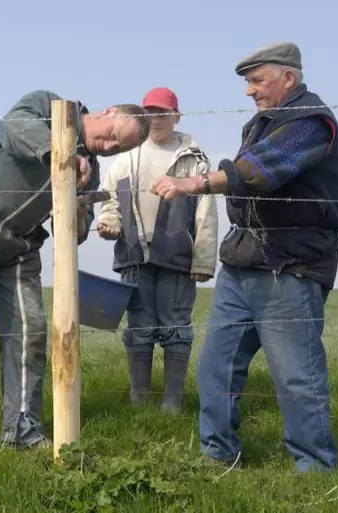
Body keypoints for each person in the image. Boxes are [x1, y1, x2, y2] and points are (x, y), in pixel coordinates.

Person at [151, 42, 338, 472]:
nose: (249, 91)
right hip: (244, 263)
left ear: (288, 78)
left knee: (296, 374)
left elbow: (261, 171)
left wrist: (193, 184)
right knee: (215, 366)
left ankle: (316, 470)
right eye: (248, 83)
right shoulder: (267, 121)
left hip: (289, 266)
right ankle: (217, 454)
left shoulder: (310, 121)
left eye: (257, 81)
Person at [0, 90, 150, 449]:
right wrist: (60, 154)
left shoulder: (92, 170)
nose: (110, 146)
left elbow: (73, 235)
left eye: (119, 148)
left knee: (30, 332)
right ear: (108, 110)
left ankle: (21, 431)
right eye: (114, 134)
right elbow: (15, 127)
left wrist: (76, 207)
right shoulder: (47, 105)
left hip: (19, 245)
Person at [96, 87, 218, 414]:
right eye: (150, 112)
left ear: (176, 116)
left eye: (163, 112)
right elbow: (109, 203)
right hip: (134, 256)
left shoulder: (194, 159)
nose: (156, 119)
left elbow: (206, 212)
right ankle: (140, 401)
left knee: (175, 326)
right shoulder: (125, 158)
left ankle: (172, 403)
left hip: (178, 259)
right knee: (139, 326)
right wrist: (109, 224)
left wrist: (204, 259)